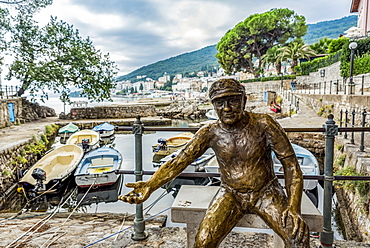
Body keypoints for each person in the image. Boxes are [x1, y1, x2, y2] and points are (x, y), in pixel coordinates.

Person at [119, 78, 309, 248]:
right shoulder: (210, 132)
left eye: (233, 101)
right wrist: (151, 185)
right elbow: (179, 161)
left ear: (244, 100)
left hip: (266, 191)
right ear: (213, 105)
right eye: (220, 103)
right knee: (203, 242)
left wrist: (293, 207)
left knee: (297, 237)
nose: (226, 108)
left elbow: (291, 165)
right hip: (231, 193)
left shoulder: (264, 124)